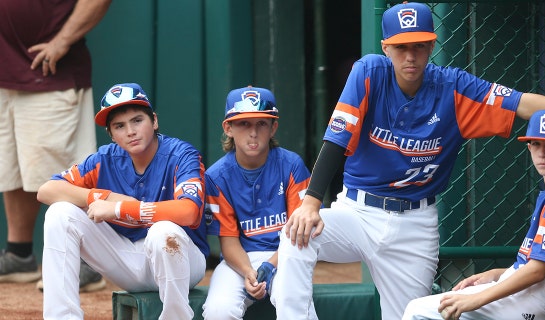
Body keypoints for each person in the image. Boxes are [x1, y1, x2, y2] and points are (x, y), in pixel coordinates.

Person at [271, 2, 545, 319]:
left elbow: (521, 103)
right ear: (386, 48)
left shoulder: (454, 87)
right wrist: (311, 201)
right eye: (401, 47)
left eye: (420, 46)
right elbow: (336, 139)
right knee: (295, 238)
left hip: (415, 225)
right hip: (358, 212)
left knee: (412, 315)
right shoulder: (368, 73)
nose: (410, 56)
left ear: (432, 45)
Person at [36, 83, 209, 319]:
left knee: (163, 230)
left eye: (137, 120)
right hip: (127, 260)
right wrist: (102, 197)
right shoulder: (104, 158)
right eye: (119, 126)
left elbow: (188, 212)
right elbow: (46, 190)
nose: (130, 131)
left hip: (183, 262)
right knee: (60, 213)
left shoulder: (181, 154)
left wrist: (120, 209)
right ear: (111, 134)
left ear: (154, 121)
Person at [402, 109, 545, 320]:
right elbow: (536, 266)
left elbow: (538, 271)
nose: (542, 153)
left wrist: (477, 299)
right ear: (528, 147)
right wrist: (496, 275)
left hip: (534, 297)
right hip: (537, 293)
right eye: (536, 144)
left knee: (416, 311)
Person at [0, 0, 111, 291]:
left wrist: (63, 40)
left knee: (63, 174)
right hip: (6, 69)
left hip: (51, 70)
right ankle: (19, 254)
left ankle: (86, 262)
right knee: (13, 167)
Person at [201, 86, 312, 319]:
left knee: (293, 299)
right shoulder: (216, 176)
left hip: (286, 255)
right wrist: (248, 272)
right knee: (218, 310)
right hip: (240, 260)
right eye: (244, 124)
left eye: (261, 123)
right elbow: (228, 242)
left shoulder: (291, 165)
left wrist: (271, 265)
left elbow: (300, 235)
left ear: (273, 128)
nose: (253, 132)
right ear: (228, 128)